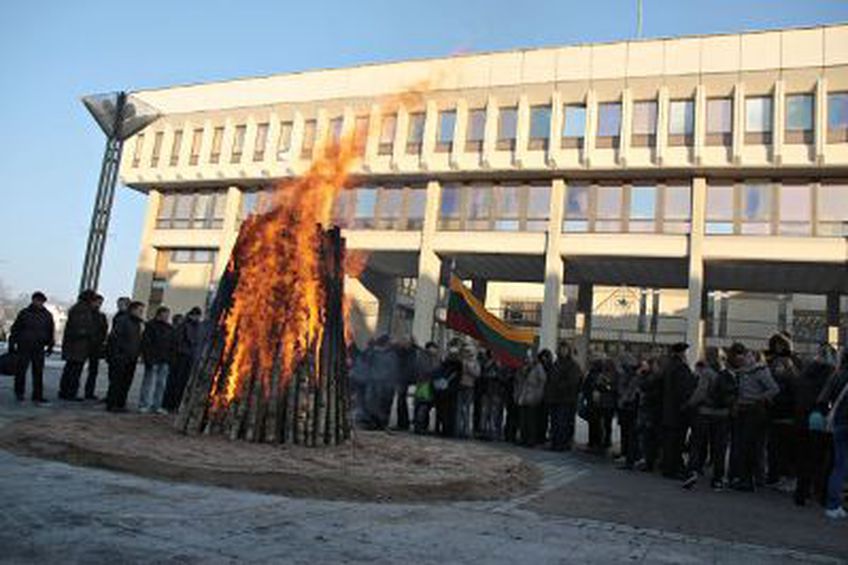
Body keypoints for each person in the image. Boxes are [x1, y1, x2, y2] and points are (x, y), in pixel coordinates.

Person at [682, 347, 737, 490]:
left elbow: (700, 392)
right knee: (719, 448)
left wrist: (689, 404)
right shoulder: (729, 373)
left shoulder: (707, 373)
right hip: (723, 415)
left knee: (697, 444)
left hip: (705, 413)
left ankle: (692, 472)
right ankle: (717, 479)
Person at [727, 342, 779, 491]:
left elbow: (774, 388)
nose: (738, 362)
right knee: (743, 446)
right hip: (743, 410)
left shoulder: (759, 371)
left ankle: (749, 480)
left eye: (739, 358)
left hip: (754, 411)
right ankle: (744, 478)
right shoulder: (741, 371)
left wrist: (759, 398)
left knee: (749, 446)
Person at [793, 343, 837, 506]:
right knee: (821, 459)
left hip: (802, 418)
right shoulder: (831, 374)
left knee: (803, 457)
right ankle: (820, 493)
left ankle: (801, 493)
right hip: (820, 419)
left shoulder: (805, 373)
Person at [764, 333, 802, 489]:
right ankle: (774, 476)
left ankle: (787, 476)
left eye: (781, 344)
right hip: (774, 410)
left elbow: (797, 385)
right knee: (774, 447)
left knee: (787, 447)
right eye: (776, 344)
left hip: (788, 411)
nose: (778, 347)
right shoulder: (771, 362)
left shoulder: (794, 362)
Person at [8, 291, 54, 403]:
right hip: (24, 345)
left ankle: (37, 395)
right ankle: (19, 393)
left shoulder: (47, 315)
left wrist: (50, 346)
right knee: (21, 371)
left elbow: (50, 331)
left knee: (38, 372)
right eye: (38, 301)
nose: (39, 303)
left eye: (41, 301)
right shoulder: (24, 313)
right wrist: (12, 344)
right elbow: (15, 329)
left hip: (39, 346)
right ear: (33, 300)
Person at [660, 342, 697, 479]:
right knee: (677, 442)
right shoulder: (681, 369)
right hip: (678, 411)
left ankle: (667, 467)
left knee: (669, 441)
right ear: (681, 353)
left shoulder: (668, 367)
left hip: (668, 410)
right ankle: (674, 468)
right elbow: (684, 390)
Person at [819, 350, 848, 519]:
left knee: (839, 465)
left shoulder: (837, 375)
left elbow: (823, 398)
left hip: (839, 422)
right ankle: (836, 504)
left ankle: (833, 504)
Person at [105, 301, 145, 412]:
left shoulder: (137, 324)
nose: (141, 313)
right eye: (139, 310)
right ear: (133, 309)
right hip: (121, 356)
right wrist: (118, 353)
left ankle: (121, 403)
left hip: (132, 357)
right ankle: (112, 404)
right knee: (117, 382)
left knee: (126, 382)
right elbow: (115, 338)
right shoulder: (123, 320)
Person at [58, 290, 97, 401]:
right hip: (77, 345)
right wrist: (89, 333)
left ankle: (66, 391)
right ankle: (69, 392)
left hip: (76, 345)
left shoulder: (79, 309)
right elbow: (78, 328)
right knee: (74, 370)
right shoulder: (82, 310)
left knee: (71, 369)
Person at [163, 307, 203, 411]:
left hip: (190, 357)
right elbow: (178, 341)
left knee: (184, 382)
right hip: (181, 358)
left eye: (198, 316)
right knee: (176, 381)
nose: (197, 318)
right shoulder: (184, 326)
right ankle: (170, 405)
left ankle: (177, 404)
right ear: (191, 315)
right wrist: (182, 352)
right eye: (196, 315)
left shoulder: (197, 327)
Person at [545, 342, 583, 451]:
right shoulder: (556, 364)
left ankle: (563, 444)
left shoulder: (573, 365)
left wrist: (559, 386)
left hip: (566, 399)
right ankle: (555, 442)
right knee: (555, 422)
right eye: (561, 349)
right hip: (555, 398)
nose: (563, 351)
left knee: (563, 422)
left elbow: (573, 382)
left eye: (565, 349)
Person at [139, 306, 175, 414]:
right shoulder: (150, 326)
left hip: (165, 359)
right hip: (153, 358)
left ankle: (157, 405)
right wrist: (148, 358)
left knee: (161, 384)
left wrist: (170, 358)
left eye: (168, 314)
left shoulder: (169, 328)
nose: (167, 317)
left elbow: (172, 344)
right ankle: (144, 404)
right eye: (166, 314)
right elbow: (146, 343)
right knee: (148, 382)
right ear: (160, 314)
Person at [363, 335, 398, 430]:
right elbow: (366, 362)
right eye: (390, 341)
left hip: (388, 382)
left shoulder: (393, 353)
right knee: (373, 403)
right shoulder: (374, 352)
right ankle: (373, 422)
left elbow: (394, 368)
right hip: (375, 381)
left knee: (385, 404)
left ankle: (382, 423)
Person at [518, 349, 549, 447]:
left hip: (533, 396)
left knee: (532, 421)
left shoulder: (538, 367)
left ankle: (531, 440)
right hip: (524, 396)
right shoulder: (525, 367)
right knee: (524, 419)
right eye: (527, 357)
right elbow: (521, 381)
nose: (528, 359)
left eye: (529, 357)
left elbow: (542, 381)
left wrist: (538, 396)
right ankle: (523, 438)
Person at [615, 354, 641, 468]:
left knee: (628, 433)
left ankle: (628, 455)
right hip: (628, 407)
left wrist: (623, 400)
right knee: (627, 432)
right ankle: (627, 454)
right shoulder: (632, 374)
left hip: (628, 407)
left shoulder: (631, 375)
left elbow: (629, 391)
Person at [433, 339, 462, 437]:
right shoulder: (450, 362)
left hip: (448, 390)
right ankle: (445, 430)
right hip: (447, 390)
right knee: (445, 411)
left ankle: (446, 430)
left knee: (446, 412)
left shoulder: (454, 363)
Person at [83, 293, 108, 400]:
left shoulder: (101, 316)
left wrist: (101, 342)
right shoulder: (85, 314)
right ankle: (71, 390)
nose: (99, 305)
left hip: (96, 346)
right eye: (97, 302)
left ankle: (89, 392)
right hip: (84, 344)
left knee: (93, 371)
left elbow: (104, 330)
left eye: (100, 303)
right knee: (77, 368)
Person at [412, 341, 440, 434]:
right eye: (434, 348)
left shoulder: (435, 357)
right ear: (429, 348)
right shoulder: (423, 357)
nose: (435, 350)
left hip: (430, 384)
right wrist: (435, 371)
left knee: (426, 406)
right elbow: (425, 369)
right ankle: (419, 426)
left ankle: (423, 426)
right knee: (422, 405)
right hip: (424, 383)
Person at [455, 342, 480, 439]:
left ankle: (465, 430)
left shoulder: (474, 362)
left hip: (469, 386)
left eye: (469, 352)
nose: (468, 354)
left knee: (467, 409)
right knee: (459, 408)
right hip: (460, 386)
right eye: (466, 352)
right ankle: (458, 429)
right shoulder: (461, 361)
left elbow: (477, 374)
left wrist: (468, 367)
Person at [393, 337, 416, 431]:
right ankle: (402, 422)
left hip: (404, 379)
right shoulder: (407, 351)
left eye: (405, 341)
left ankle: (403, 423)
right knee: (401, 401)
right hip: (402, 378)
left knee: (401, 401)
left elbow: (407, 367)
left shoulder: (410, 353)